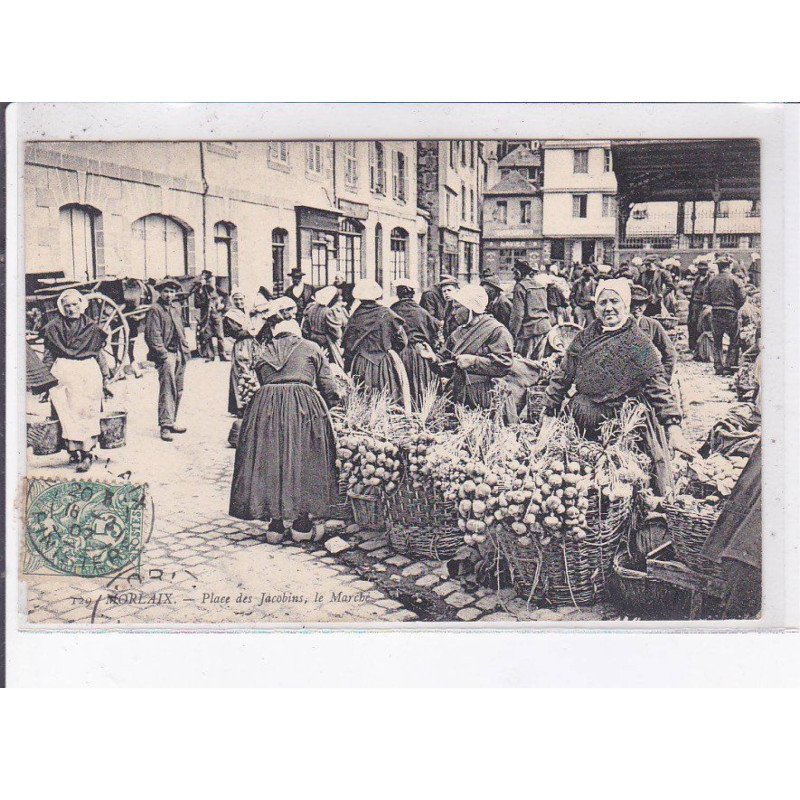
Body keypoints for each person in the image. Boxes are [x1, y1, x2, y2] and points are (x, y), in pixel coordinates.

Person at [542, 279, 695, 493]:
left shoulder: (638, 342)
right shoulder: (585, 336)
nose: (609, 307)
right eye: (602, 302)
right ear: (595, 308)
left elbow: (658, 385)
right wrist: (549, 411)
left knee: (631, 479)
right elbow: (564, 374)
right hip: (585, 417)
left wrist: (673, 428)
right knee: (580, 480)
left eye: (615, 301)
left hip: (626, 421)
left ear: (625, 305)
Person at [229, 319, 343, 543]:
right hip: (303, 405)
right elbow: (328, 385)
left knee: (273, 461)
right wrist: (330, 406)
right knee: (306, 458)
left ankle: (276, 524)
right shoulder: (311, 347)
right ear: (296, 334)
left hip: (266, 407)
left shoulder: (264, 351)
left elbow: (262, 379)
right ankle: (301, 521)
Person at [41, 288, 109, 472]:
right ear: (62, 308)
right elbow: (49, 355)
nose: (71, 308)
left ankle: (87, 453)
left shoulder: (91, 327)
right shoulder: (54, 327)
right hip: (65, 371)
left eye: (74, 304)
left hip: (87, 371)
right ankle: (73, 451)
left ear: (82, 305)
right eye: (67, 305)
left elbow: (98, 353)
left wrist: (106, 375)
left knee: (87, 410)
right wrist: (43, 380)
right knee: (67, 412)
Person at [420, 284, 514, 415]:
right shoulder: (457, 333)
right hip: (459, 394)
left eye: (457, 308)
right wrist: (434, 359)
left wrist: (474, 361)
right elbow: (446, 365)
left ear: (471, 309)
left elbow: (504, 365)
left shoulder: (496, 331)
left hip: (485, 397)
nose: (453, 313)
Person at [342, 279, 409, 406]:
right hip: (383, 362)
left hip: (360, 362)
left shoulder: (355, 316)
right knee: (386, 395)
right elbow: (402, 340)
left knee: (363, 398)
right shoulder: (387, 313)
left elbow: (348, 344)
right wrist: (390, 349)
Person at [144, 278, 190, 442]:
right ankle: (165, 426)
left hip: (179, 353)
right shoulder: (155, 310)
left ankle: (172, 422)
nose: (169, 295)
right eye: (166, 292)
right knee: (167, 390)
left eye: (172, 292)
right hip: (166, 355)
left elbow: (181, 330)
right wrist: (163, 356)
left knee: (179, 389)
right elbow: (152, 335)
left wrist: (185, 351)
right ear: (160, 292)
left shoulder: (175, 308)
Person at [390, 278, 441, 407]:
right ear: (413, 293)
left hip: (398, 354)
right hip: (420, 353)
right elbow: (434, 334)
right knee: (419, 385)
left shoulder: (391, 311)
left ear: (398, 294)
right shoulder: (422, 312)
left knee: (400, 384)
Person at [228, 296, 273, 417]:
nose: (239, 302)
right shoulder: (231, 315)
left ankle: (252, 402)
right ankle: (240, 405)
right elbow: (235, 332)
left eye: (241, 299)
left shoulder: (248, 311)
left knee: (254, 371)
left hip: (253, 344)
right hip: (242, 345)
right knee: (241, 372)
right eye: (236, 299)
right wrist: (251, 331)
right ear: (232, 300)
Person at [703, 254, 746, 375]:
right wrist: (735, 307)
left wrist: (715, 305)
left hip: (716, 312)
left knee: (717, 340)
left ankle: (718, 366)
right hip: (731, 312)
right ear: (729, 266)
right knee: (734, 339)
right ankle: (729, 366)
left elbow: (706, 299)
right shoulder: (735, 280)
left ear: (719, 267)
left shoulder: (711, 280)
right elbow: (742, 297)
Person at [629, 285, 678, 382]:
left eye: (640, 304)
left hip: (646, 378)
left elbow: (670, 353)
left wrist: (663, 378)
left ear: (646, 305)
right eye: (632, 303)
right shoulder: (618, 325)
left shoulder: (652, 325)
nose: (636, 308)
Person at [508, 260, 551, 358]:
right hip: (545, 328)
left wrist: (512, 335)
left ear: (519, 273)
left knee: (522, 364)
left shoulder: (520, 287)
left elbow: (517, 316)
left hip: (529, 331)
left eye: (515, 273)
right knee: (538, 362)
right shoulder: (541, 286)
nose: (514, 277)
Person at [301, 285, 348, 368]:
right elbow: (337, 334)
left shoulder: (311, 308)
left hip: (312, 339)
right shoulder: (329, 311)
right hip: (326, 342)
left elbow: (305, 328)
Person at [191, 270, 227, 362]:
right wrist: (205, 301)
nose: (211, 283)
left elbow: (226, 297)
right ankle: (210, 356)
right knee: (207, 336)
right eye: (209, 281)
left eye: (212, 280)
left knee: (220, 335)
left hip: (216, 315)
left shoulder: (218, 290)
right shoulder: (200, 291)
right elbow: (196, 304)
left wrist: (223, 305)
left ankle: (222, 355)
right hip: (205, 317)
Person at [687, 260, 712, 353]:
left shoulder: (710, 280)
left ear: (707, 270)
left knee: (700, 325)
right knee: (691, 324)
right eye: (700, 269)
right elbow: (693, 291)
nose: (701, 271)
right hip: (694, 304)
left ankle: (700, 348)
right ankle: (692, 347)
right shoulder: (697, 279)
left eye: (703, 269)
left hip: (703, 305)